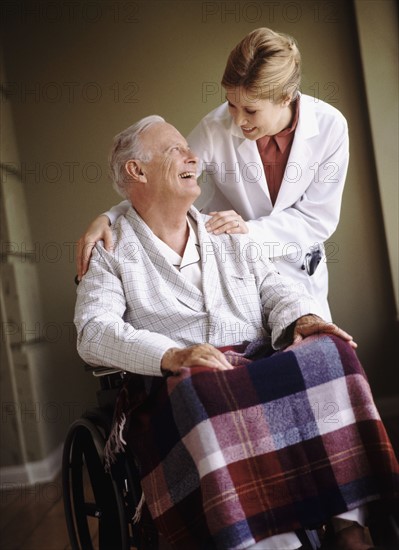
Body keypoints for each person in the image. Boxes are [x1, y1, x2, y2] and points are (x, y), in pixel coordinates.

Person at [74, 116, 398, 550]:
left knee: (331, 350)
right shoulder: (113, 251)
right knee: (202, 386)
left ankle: (348, 522)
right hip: (182, 384)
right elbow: (93, 331)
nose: (192, 155)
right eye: (174, 149)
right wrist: (174, 355)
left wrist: (303, 319)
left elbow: (277, 287)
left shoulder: (224, 229)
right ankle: (270, 539)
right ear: (137, 171)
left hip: (257, 365)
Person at [75, 27, 350, 322]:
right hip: (238, 274)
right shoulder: (216, 127)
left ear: (285, 98)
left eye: (251, 110)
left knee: (314, 351)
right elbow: (163, 183)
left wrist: (249, 231)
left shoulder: (331, 127)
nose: (239, 119)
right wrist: (109, 218)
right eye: (232, 104)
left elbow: (317, 218)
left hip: (298, 273)